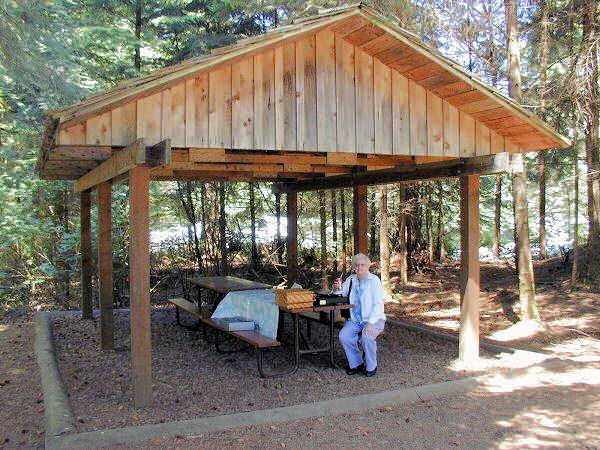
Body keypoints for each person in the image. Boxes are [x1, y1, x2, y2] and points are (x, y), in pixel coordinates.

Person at [333, 253, 386, 377]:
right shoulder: (351, 279)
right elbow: (340, 293)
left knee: (367, 337)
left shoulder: (374, 280)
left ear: (367, 266)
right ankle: (356, 363)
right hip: (356, 319)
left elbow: (379, 305)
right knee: (344, 335)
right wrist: (337, 287)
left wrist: (371, 323)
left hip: (374, 319)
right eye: (357, 265)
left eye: (362, 265)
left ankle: (371, 366)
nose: (359, 267)